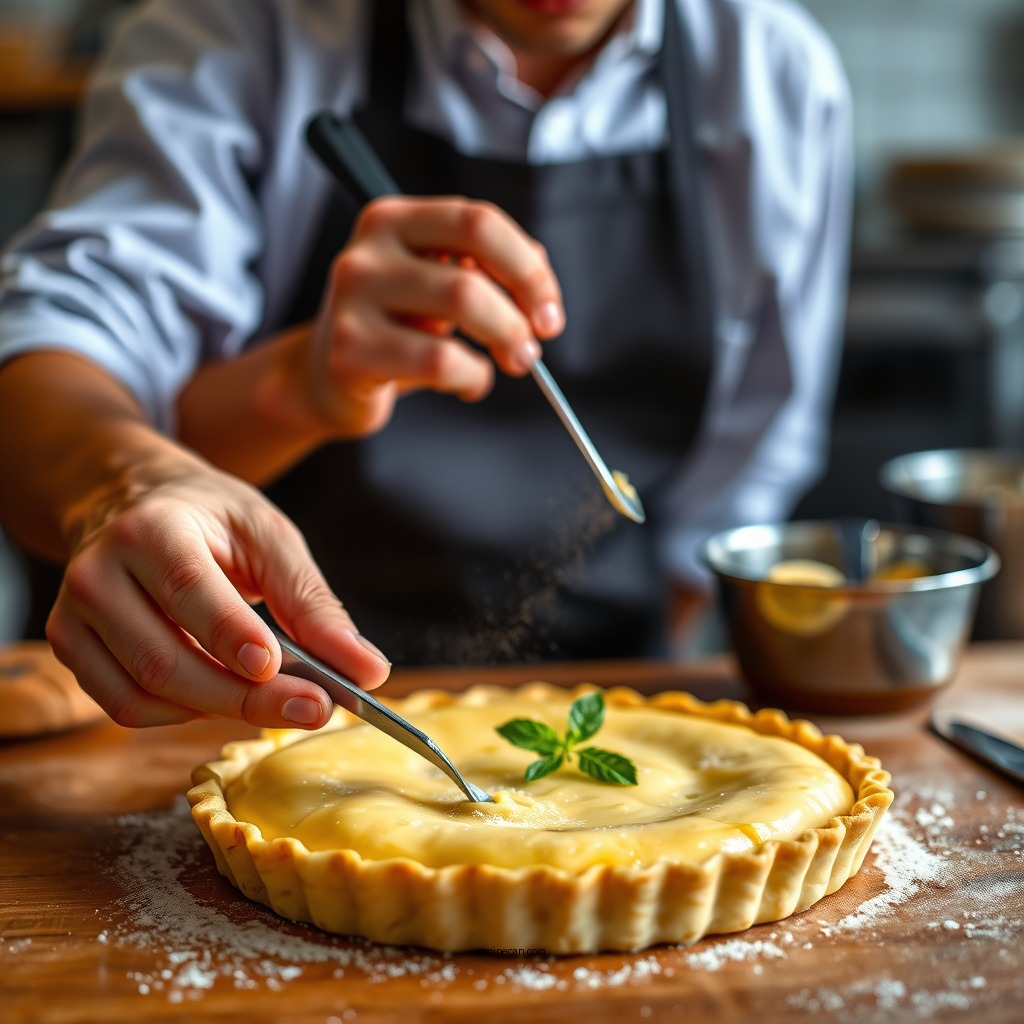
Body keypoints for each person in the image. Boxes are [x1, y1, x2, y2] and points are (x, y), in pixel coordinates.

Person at [0, 0, 852, 731]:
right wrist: (150, 470)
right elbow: (61, 345)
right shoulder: (238, 31)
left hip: (617, 693)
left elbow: (753, 457)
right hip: (256, 694)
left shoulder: (770, 74)